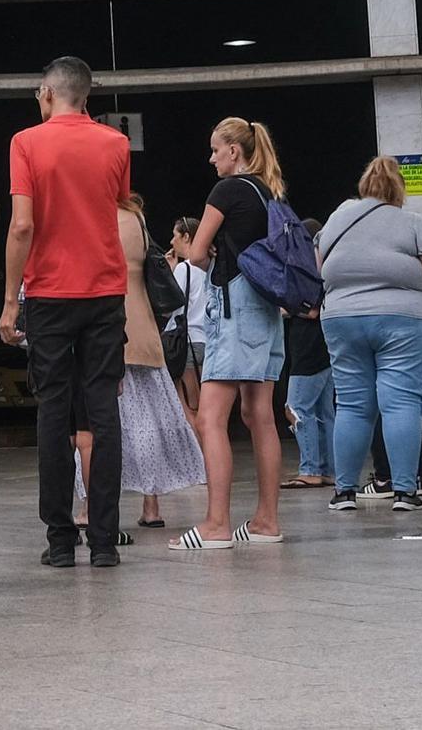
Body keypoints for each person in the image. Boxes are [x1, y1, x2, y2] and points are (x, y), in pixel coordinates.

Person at [0, 56, 133, 569]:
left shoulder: (26, 142)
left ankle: (59, 539)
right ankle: (103, 541)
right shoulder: (115, 144)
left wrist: (12, 300)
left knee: (53, 413)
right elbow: (118, 203)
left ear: (47, 94)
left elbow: (22, 226)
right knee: (103, 412)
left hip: (50, 293)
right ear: (87, 97)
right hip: (103, 291)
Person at [170, 117, 289, 550]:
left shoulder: (226, 191)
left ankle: (216, 524)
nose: (212, 157)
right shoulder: (268, 190)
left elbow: (196, 253)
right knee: (260, 415)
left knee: (211, 416)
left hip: (235, 307)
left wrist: (211, 250)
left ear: (234, 151)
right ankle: (266, 521)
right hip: (268, 309)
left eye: (216, 149)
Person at [315, 158, 422, 513]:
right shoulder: (412, 223)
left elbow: (318, 268)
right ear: (398, 190)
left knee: (351, 405)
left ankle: (344, 492)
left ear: (365, 186)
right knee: (400, 403)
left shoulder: (337, 219)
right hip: (401, 321)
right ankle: (405, 492)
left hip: (342, 318)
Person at [74, 196, 208, 537]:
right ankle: (152, 507)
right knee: (151, 422)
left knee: (99, 425)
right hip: (145, 331)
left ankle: (91, 507)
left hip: (108, 329)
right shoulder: (137, 220)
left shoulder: (95, 215)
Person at [281, 217, 334, 490]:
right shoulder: (330, 269)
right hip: (326, 348)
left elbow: (310, 310)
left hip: (307, 350)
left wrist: (287, 308)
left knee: (296, 407)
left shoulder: (309, 271)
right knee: (325, 412)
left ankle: (310, 468)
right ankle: (329, 469)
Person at [168, 217, 209, 414]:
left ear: (186, 237)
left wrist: (171, 273)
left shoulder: (183, 269)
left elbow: (171, 305)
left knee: (189, 408)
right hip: (207, 342)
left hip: (187, 341)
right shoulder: (208, 268)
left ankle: (197, 446)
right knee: (205, 406)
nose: (171, 241)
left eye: (175, 235)